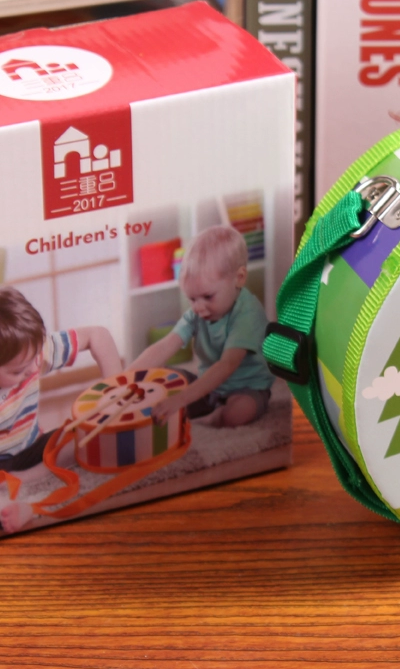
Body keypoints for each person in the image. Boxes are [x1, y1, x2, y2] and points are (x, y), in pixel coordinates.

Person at [0, 285, 123, 533]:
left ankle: (25, 482)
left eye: (36, 357)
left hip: (33, 447)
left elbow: (97, 335)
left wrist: (116, 391)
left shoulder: (30, 353)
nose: (34, 369)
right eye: (18, 371)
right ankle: (21, 505)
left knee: (88, 435)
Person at [130, 225, 274, 428]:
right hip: (207, 388)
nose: (198, 307)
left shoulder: (247, 313)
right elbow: (165, 346)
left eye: (208, 296)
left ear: (239, 278)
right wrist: (127, 378)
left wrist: (181, 399)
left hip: (246, 389)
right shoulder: (196, 314)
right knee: (158, 379)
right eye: (192, 299)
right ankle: (198, 408)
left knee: (240, 412)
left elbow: (227, 365)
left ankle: (214, 418)